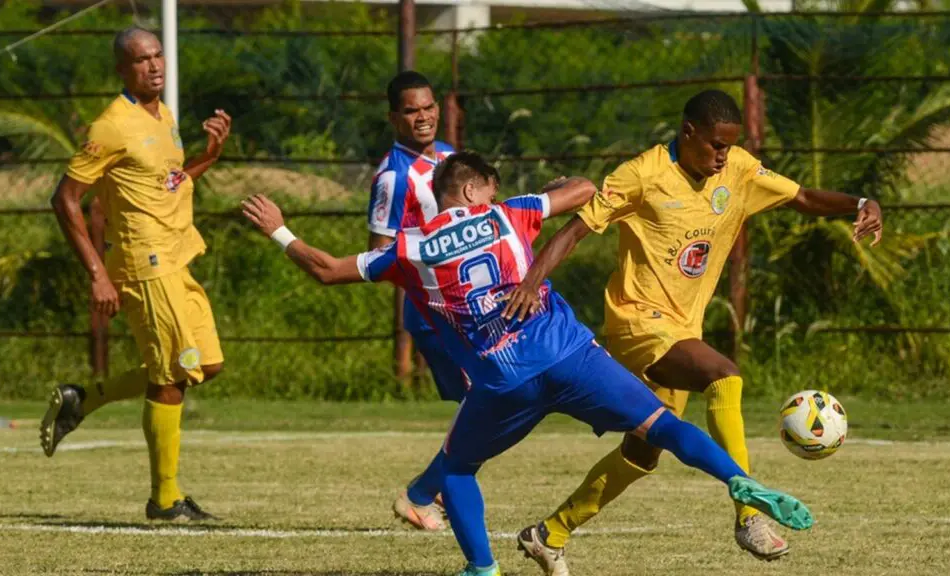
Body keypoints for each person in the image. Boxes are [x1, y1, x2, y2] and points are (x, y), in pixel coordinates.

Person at [242, 151, 814, 576]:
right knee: (662, 426)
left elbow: (325, 268)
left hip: (502, 379)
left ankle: (483, 569)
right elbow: (584, 188)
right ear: (473, 190)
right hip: (569, 354)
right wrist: (548, 190)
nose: (496, 193)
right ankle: (739, 480)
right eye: (490, 186)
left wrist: (279, 230)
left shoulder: (410, 249)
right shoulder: (511, 214)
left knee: (458, 469)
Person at [499, 89, 883, 572]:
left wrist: (861, 202)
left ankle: (550, 533)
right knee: (723, 375)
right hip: (637, 323)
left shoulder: (739, 170)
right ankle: (749, 513)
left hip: (682, 329)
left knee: (642, 453)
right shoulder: (642, 175)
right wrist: (532, 281)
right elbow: (575, 229)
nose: (723, 156)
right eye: (715, 146)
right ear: (688, 133)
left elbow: (803, 197)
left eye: (729, 146)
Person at [40, 26, 232, 521]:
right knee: (172, 374)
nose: (155, 65)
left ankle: (82, 400)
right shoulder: (112, 125)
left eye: (158, 55)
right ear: (122, 70)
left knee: (205, 365)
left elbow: (166, 184)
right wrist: (97, 273)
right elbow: (65, 199)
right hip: (144, 263)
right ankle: (164, 499)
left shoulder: (163, 114)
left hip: (178, 254)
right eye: (142, 59)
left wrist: (207, 158)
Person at [368, 70, 464, 530]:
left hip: (469, 307)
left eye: (428, 107)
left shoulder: (451, 158)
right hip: (434, 312)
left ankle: (432, 491)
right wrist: (429, 277)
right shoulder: (393, 178)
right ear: (394, 118)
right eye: (411, 110)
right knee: (490, 400)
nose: (423, 117)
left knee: (491, 401)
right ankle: (426, 492)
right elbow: (378, 256)